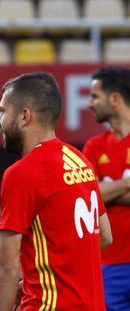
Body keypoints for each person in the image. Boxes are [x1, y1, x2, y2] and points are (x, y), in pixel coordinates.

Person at [0, 72, 112, 311]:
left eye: (3, 111)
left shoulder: (22, 173)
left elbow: (7, 266)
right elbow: (105, 236)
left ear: (25, 116)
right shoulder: (80, 160)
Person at [83, 67, 130, 311]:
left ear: (114, 99)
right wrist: (126, 183)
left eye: (94, 96)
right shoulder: (94, 146)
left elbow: (99, 192)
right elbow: (87, 195)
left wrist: (109, 188)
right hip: (109, 264)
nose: (89, 104)